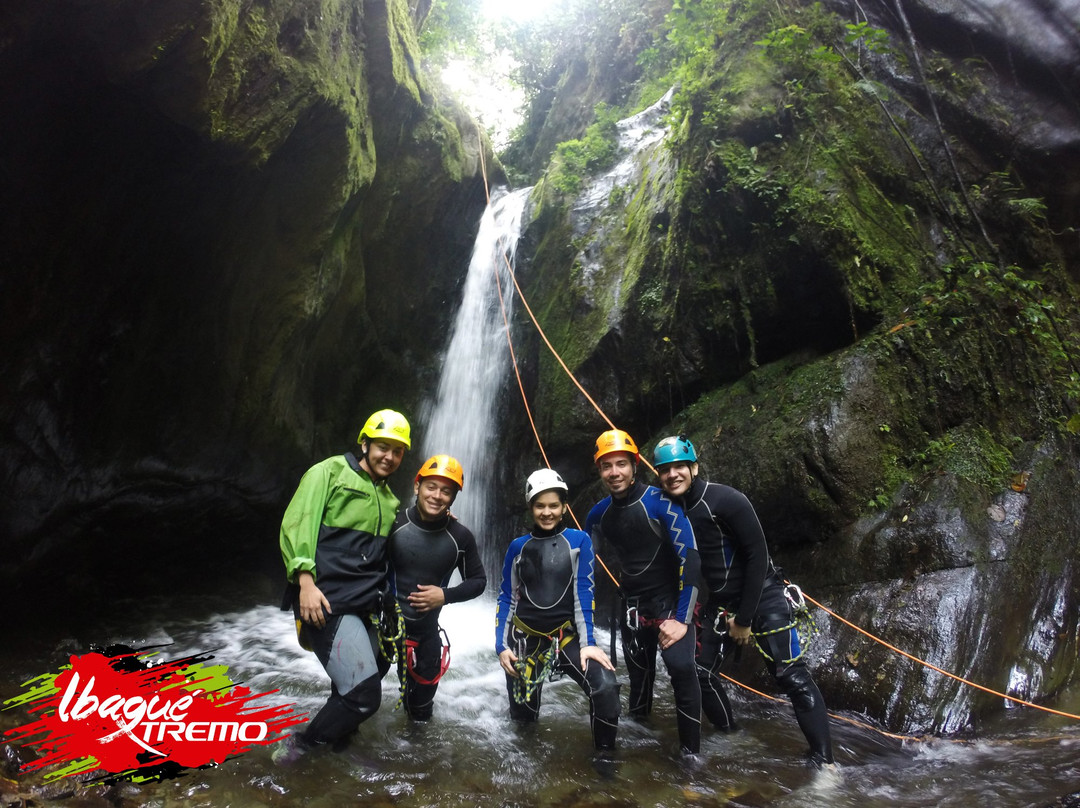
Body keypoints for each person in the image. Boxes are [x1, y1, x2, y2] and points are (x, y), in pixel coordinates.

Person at [652, 435, 835, 766]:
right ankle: (731, 734)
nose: (672, 475)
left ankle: (825, 764)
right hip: (720, 604)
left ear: (694, 467)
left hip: (762, 594)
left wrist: (746, 619)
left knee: (791, 676)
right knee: (700, 670)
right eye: (665, 470)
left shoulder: (725, 499)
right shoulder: (670, 510)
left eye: (680, 466)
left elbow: (757, 554)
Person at [275, 408, 411, 762]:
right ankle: (300, 748)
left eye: (398, 451)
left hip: (366, 604)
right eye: (383, 447)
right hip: (327, 601)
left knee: (368, 674)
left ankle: (340, 745)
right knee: (364, 695)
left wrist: (439, 518)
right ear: (364, 443)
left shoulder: (388, 498)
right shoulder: (329, 472)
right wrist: (304, 581)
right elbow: (297, 524)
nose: (390, 457)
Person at [584, 430, 703, 756]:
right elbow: (582, 565)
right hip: (633, 607)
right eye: (606, 466)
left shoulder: (660, 502)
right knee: (639, 678)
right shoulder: (598, 514)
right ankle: (640, 746)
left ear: (635, 465)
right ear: (600, 471)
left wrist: (681, 619)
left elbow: (689, 558)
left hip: (670, 603)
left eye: (621, 464)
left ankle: (691, 755)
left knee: (681, 669)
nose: (614, 472)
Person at [496, 468, 620, 759]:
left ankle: (605, 762)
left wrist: (588, 643)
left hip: (567, 638)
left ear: (564, 508)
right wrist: (501, 646)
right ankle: (525, 768)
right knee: (523, 720)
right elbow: (507, 597)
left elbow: (584, 594)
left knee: (605, 688)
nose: (547, 512)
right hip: (525, 640)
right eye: (540, 505)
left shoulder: (579, 542)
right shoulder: (518, 548)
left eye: (554, 505)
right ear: (531, 508)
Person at [387, 454, 487, 721]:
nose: (437, 496)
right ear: (417, 486)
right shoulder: (392, 523)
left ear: (454, 497)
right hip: (382, 629)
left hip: (425, 634)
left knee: (420, 712)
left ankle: (416, 761)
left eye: (446, 491)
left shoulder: (460, 536)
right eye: (431, 487)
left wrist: (445, 595)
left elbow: (478, 581)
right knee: (357, 695)